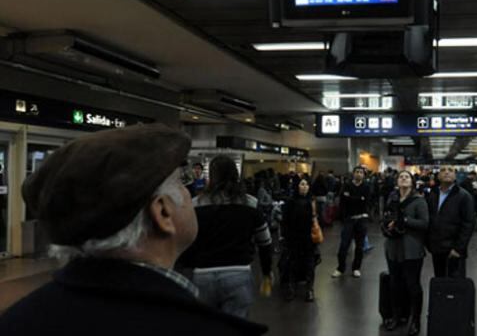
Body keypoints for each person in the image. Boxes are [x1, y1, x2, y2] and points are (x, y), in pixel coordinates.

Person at [0, 125, 267, 336]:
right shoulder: (201, 328)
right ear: (162, 213)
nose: (189, 194)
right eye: (179, 185)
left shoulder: (17, 321)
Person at [179, 155, 271, 318]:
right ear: (236, 175)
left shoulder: (195, 204)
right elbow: (265, 242)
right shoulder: (250, 203)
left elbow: (185, 241)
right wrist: (266, 272)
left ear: (211, 176)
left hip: (202, 275)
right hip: (239, 274)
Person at [382, 170, 430, 336]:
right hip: (393, 248)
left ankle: (415, 319)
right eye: (401, 177)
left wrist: (406, 221)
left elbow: (424, 223)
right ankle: (396, 316)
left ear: (412, 182)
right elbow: (386, 218)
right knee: (395, 283)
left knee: (413, 285)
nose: (403, 178)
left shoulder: (419, 201)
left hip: (411, 249)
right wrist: (386, 226)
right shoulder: (392, 198)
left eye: (406, 177)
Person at [426, 166, 476, 278]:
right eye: (443, 170)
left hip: (454, 250)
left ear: (455, 176)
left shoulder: (464, 196)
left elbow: (468, 224)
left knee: (455, 286)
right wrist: (429, 243)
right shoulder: (433, 194)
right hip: (437, 248)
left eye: (450, 170)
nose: (447, 172)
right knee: (439, 280)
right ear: (438, 176)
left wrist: (459, 248)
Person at [281, 178, 319, 302]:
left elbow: (316, 220)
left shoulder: (311, 202)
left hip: (308, 238)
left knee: (309, 264)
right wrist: (286, 237)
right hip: (294, 237)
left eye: (306, 184)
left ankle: (309, 289)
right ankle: (291, 288)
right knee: (293, 263)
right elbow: (285, 221)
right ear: (297, 186)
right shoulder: (290, 202)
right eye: (302, 184)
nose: (304, 186)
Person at [332, 166, 370, 278]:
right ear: (353, 174)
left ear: (363, 175)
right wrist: (359, 199)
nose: (359, 174)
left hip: (361, 219)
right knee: (344, 245)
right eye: (357, 172)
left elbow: (366, 201)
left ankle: (356, 268)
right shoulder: (346, 186)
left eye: (361, 172)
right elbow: (343, 201)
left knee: (359, 246)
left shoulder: (366, 187)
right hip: (349, 219)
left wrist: (351, 199)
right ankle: (340, 268)